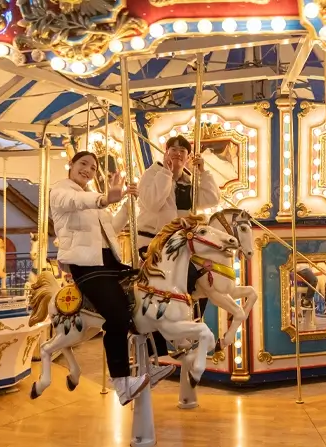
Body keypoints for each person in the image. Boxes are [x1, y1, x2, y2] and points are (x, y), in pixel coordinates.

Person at [50, 151, 173, 408]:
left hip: (111, 263)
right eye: (83, 164)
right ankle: (121, 382)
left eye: (93, 168)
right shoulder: (60, 191)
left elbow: (113, 229)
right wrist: (105, 198)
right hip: (87, 267)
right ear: (71, 165)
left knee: (151, 292)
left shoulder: (91, 203)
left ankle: (158, 360)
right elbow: (77, 201)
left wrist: (128, 203)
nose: (88, 169)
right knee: (117, 317)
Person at [137, 136, 221, 357]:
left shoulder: (187, 181)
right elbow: (152, 202)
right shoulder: (152, 173)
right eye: (173, 149)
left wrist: (204, 173)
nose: (177, 153)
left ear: (188, 156)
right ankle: (162, 345)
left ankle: (191, 325)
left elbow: (211, 199)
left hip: (179, 246)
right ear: (165, 152)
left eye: (182, 150)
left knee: (201, 279)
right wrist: (166, 173)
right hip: (153, 241)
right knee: (156, 289)